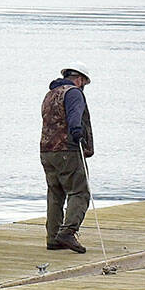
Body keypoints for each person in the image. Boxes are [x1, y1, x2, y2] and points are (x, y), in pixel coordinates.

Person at [40, 62, 95, 254]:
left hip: (47, 151)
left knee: (55, 193)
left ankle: (53, 238)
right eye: (84, 83)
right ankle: (68, 232)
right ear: (80, 79)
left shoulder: (50, 94)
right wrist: (77, 132)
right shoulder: (74, 93)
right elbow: (74, 116)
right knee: (80, 192)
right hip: (67, 150)